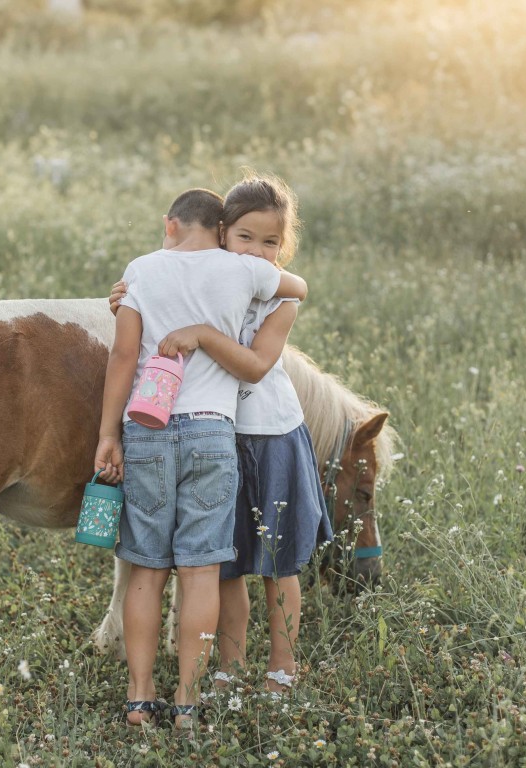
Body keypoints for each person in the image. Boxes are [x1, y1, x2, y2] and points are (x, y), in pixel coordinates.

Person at [110, 172, 333, 701]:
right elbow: (164, 298)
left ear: (285, 245)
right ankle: (228, 664)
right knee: (224, 561)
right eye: (245, 238)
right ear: (221, 234)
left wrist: (204, 335)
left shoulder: (277, 294)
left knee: (278, 562)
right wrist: (122, 300)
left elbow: (256, 364)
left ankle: (282, 662)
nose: (257, 252)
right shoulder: (217, 272)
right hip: (219, 434)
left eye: (271, 242)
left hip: (271, 431)